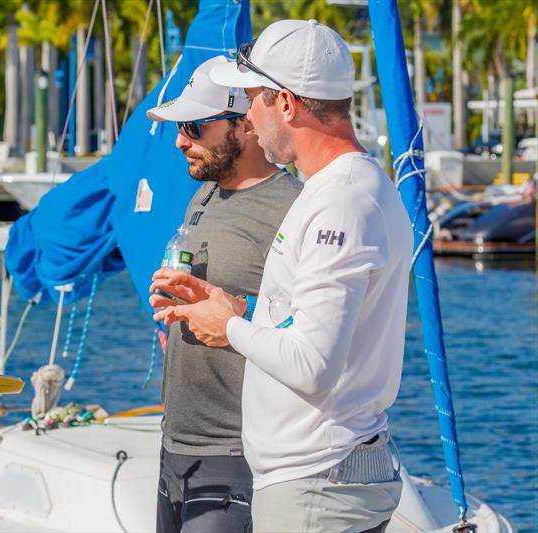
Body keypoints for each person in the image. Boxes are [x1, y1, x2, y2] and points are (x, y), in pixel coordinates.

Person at [150, 20, 413, 533]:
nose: (249, 114)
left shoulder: (340, 202)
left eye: (253, 99)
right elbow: (314, 327)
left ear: (285, 104)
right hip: (314, 476)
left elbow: (313, 364)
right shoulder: (349, 188)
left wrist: (228, 327)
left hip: (314, 484)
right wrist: (235, 309)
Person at [146, 56, 302, 533]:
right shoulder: (206, 194)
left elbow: (311, 331)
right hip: (176, 446)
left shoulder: (293, 207)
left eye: (193, 127)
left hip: (235, 451)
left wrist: (236, 316)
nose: (180, 141)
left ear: (245, 124)